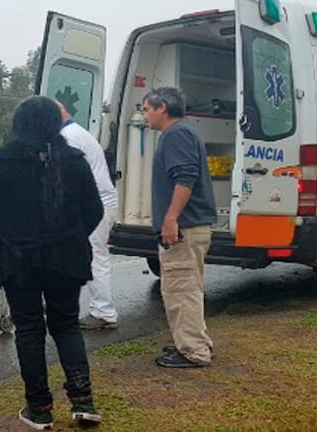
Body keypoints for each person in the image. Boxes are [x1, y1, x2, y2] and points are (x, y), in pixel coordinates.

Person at [0, 96, 104, 429]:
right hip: (65, 257)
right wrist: (71, 235)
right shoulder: (74, 160)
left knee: (29, 330)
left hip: (18, 261)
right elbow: (94, 211)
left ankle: (39, 407)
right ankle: (83, 401)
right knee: (67, 325)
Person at [143, 87, 217, 368]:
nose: (145, 115)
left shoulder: (176, 135)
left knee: (180, 289)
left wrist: (171, 218)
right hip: (192, 226)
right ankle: (197, 341)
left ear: (162, 107)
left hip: (184, 227)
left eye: (147, 109)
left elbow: (184, 178)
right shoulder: (184, 132)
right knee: (189, 287)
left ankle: (193, 351)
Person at [57, 102, 120, 330]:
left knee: (95, 259)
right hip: (101, 201)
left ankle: (104, 312)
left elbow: (67, 177)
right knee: (87, 256)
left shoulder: (68, 137)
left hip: (96, 204)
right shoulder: (78, 132)